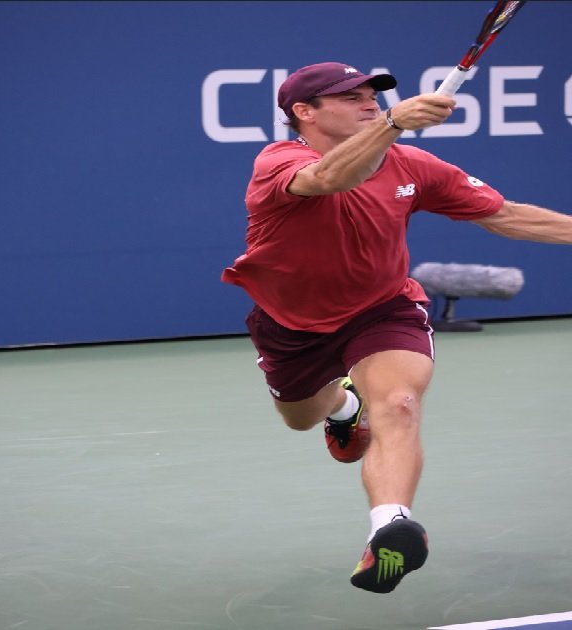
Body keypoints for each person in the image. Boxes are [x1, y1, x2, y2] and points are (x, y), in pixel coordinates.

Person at [221, 61, 572, 594]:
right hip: (291, 323)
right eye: (351, 96)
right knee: (300, 418)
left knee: (400, 403)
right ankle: (343, 408)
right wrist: (393, 124)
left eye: (374, 95)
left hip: (383, 308)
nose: (370, 102)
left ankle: (390, 527)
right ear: (304, 113)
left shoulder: (411, 164)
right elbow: (330, 178)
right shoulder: (279, 161)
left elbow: (504, 215)